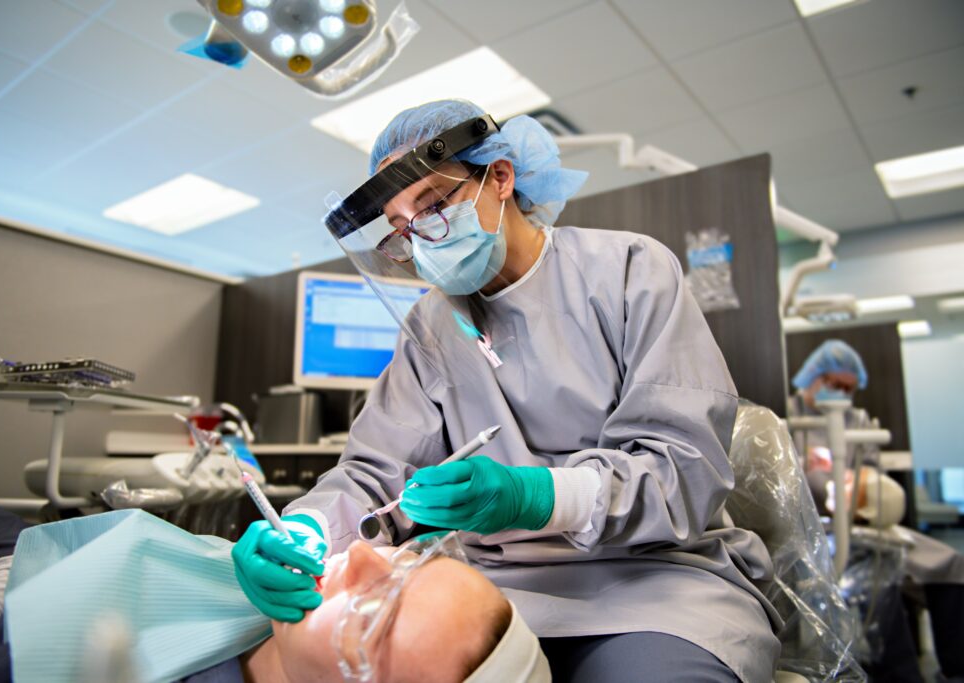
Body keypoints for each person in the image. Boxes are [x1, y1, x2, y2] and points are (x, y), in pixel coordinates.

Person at [234, 99, 781, 682]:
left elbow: (684, 469)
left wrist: (534, 495)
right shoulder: (431, 324)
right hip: (490, 589)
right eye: (401, 231)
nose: (422, 242)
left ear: (500, 176)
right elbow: (374, 472)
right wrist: (307, 528)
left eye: (434, 206)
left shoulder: (627, 270)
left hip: (656, 582)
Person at [0, 505, 547, 683]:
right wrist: (312, 519)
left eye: (376, 611)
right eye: (406, 562)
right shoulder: (261, 605)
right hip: (35, 547)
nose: (360, 553)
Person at [788, 339, 964, 681]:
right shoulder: (788, 418)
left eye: (847, 388)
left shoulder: (859, 421)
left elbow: (871, 473)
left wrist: (859, 490)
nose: (840, 393)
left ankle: (957, 667)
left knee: (950, 563)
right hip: (818, 527)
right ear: (813, 376)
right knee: (876, 586)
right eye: (833, 384)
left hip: (865, 520)